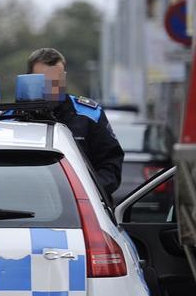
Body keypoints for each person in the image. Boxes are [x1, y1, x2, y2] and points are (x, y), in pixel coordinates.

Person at [27, 47, 125, 195]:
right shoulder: (11, 118)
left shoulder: (90, 114)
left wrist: (89, 193)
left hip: (81, 204)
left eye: (56, 78)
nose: (51, 86)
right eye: (44, 79)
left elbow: (110, 164)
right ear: (28, 79)